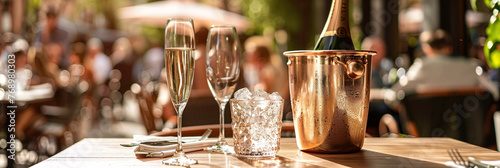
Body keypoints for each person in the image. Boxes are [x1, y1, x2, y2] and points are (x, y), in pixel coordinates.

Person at [391, 30, 498, 100]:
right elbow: (494, 92)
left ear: (427, 50)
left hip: (426, 130)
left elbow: (393, 95)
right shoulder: (472, 66)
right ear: (449, 49)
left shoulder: (422, 67)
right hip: (466, 131)